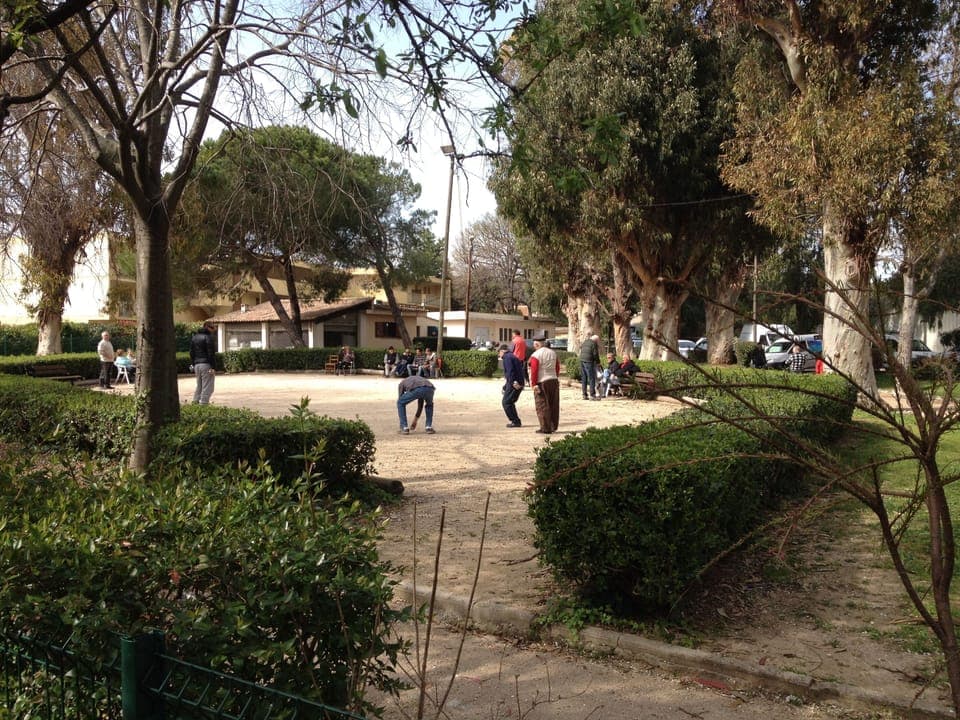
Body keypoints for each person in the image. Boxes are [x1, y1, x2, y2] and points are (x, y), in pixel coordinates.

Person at [529, 334, 560, 434]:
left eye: (534, 344)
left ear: (537, 344)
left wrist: (533, 384)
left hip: (542, 381)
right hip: (553, 380)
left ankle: (545, 427)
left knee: (542, 405)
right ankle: (553, 425)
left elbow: (534, 370)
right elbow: (557, 367)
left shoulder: (536, 355)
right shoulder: (553, 353)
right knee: (553, 404)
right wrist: (555, 376)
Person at [190, 320, 217, 404]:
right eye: (212, 327)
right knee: (208, 386)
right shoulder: (208, 338)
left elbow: (191, 352)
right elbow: (211, 353)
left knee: (199, 385)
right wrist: (213, 367)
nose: (214, 330)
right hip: (206, 364)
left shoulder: (194, 337)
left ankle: (195, 401)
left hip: (197, 365)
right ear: (207, 327)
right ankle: (204, 404)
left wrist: (193, 364)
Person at [499, 342, 524, 427]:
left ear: (502, 351)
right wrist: (505, 386)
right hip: (516, 382)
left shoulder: (507, 358)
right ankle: (516, 421)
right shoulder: (511, 356)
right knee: (509, 402)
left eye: (498, 352)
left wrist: (513, 382)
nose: (499, 355)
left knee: (506, 402)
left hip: (514, 383)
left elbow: (510, 372)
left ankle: (515, 421)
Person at [579, 333, 601, 400]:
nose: (597, 342)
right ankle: (592, 395)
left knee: (584, 378)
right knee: (591, 378)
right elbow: (595, 354)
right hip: (589, 361)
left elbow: (581, 348)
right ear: (596, 340)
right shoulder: (593, 344)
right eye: (598, 341)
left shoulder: (585, 341)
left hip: (582, 360)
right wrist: (598, 362)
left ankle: (584, 395)